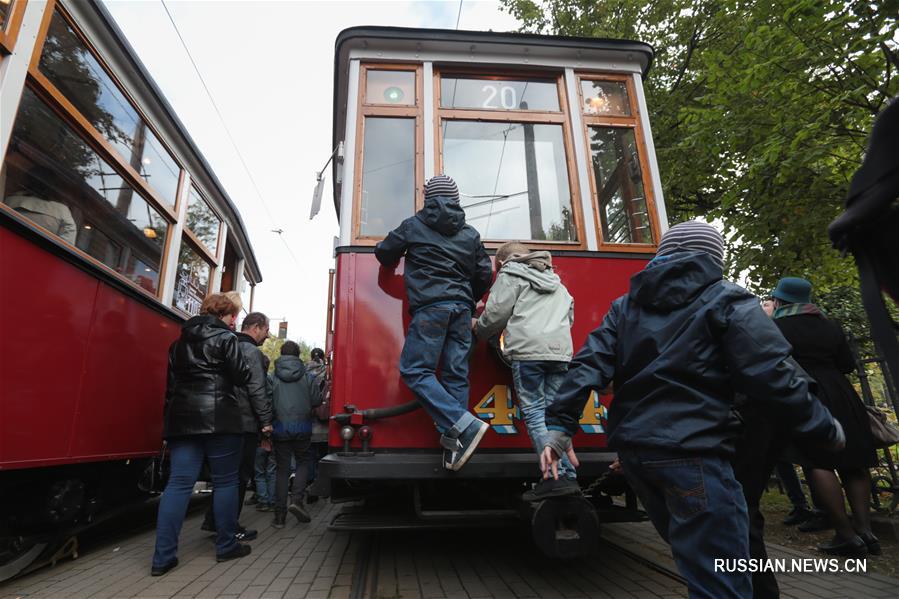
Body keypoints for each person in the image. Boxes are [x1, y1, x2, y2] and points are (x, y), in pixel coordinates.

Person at [542, 221, 844, 598]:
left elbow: (587, 364)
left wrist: (558, 426)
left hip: (637, 457)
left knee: (699, 561)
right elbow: (772, 370)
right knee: (721, 579)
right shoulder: (728, 299)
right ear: (714, 257)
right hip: (695, 453)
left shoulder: (624, 307)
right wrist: (823, 427)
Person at [375, 174, 492, 471]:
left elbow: (384, 252)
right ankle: (455, 444)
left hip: (431, 308)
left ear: (428, 198)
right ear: (456, 199)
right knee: (455, 375)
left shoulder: (414, 225)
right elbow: (483, 275)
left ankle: (462, 423)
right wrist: (466, 299)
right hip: (461, 311)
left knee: (415, 370)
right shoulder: (470, 233)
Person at [152, 292, 269, 576]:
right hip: (221, 419)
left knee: (178, 485)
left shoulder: (177, 345)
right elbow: (242, 376)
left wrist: (168, 427)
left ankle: (162, 558)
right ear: (224, 315)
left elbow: (170, 389)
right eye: (233, 315)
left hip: (182, 421)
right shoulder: (227, 339)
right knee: (226, 481)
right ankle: (226, 545)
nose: (234, 321)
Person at [771, 276, 879, 557]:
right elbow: (846, 364)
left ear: (781, 300)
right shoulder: (830, 324)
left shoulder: (776, 327)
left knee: (818, 462)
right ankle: (866, 531)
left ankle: (845, 534)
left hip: (807, 394)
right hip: (843, 395)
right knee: (854, 462)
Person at [473, 241, 578, 500]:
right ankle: (568, 476)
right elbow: (570, 315)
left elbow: (496, 313)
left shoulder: (510, 274)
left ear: (501, 263)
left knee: (534, 412)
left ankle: (554, 477)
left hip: (529, 353)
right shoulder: (554, 279)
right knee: (555, 412)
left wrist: (480, 329)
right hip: (560, 351)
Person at [200, 312, 273, 540]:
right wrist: (266, 422)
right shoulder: (251, 351)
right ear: (257, 327)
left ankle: (213, 521)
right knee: (239, 477)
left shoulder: (222, 344)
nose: (268, 335)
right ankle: (229, 527)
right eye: (266, 329)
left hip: (220, 418)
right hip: (245, 422)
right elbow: (257, 389)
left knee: (223, 476)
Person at [270, 341, 322, 528]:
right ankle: (297, 500)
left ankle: (279, 516)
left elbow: (267, 400)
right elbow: (317, 399)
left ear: (282, 355)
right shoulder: (307, 376)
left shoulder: (272, 377)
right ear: (298, 355)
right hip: (302, 426)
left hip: (280, 427)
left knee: (282, 469)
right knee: (302, 462)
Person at [305, 347, 329, 504]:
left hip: (309, 424)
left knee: (310, 459)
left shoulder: (304, 375)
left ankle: (311, 488)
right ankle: (324, 487)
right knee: (324, 457)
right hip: (325, 426)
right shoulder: (329, 375)